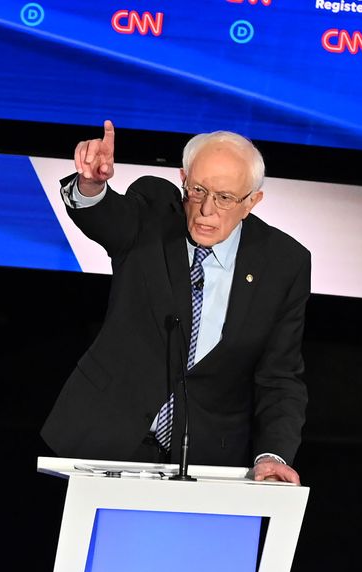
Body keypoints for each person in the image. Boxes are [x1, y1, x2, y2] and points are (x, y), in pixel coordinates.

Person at [42, 120, 308, 484]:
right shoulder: (153, 212)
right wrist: (91, 185)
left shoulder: (283, 263)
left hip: (206, 460)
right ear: (184, 178)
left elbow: (280, 377)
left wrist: (272, 454)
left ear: (252, 202)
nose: (206, 210)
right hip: (103, 441)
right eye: (197, 190)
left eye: (226, 198)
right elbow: (107, 218)